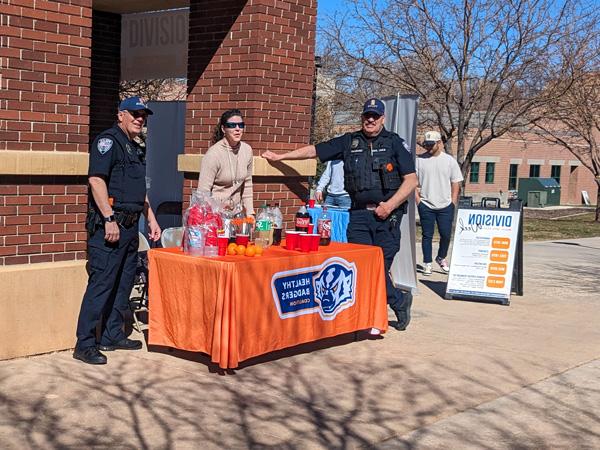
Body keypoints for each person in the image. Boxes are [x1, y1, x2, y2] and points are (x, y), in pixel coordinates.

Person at [263, 98, 418, 331]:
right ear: (362, 117)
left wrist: (390, 205)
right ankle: (389, 305)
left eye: (375, 116)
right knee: (364, 268)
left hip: (388, 215)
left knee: (379, 266)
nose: (371, 120)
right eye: (367, 115)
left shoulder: (395, 143)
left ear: (383, 119)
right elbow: (315, 150)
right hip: (357, 214)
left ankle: (396, 302)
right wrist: (281, 157)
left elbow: (411, 180)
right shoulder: (349, 141)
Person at [74, 96, 161, 365]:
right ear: (121, 114)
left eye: (143, 115)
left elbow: (138, 190)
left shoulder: (134, 147)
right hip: (110, 228)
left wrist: (152, 218)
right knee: (101, 284)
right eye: (134, 113)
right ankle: (85, 343)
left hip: (131, 226)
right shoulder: (108, 142)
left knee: (123, 283)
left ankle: (112, 334)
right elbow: (96, 180)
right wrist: (109, 217)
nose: (139, 118)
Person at [415, 131, 463, 275]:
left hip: (446, 205)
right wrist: (419, 201)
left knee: (446, 235)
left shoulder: (449, 161)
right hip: (426, 204)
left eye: (431, 144)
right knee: (427, 235)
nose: (428, 147)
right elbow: (412, 182)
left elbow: (456, 183)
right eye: (426, 144)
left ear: (439, 143)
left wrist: (453, 202)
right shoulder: (419, 160)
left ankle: (441, 257)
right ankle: (427, 263)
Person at [197, 109, 255, 216]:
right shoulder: (213, 154)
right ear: (223, 129)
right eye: (232, 125)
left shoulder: (247, 150)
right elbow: (202, 193)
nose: (237, 129)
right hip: (215, 215)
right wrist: (216, 208)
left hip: (237, 214)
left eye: (241, 125)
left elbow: (247, 185)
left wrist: (250, 213)